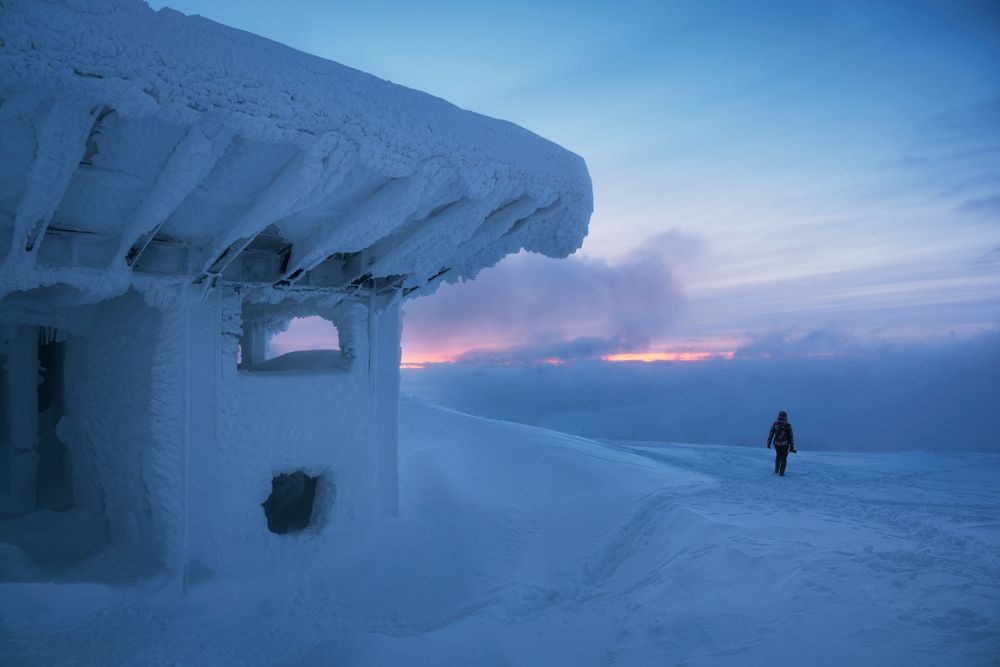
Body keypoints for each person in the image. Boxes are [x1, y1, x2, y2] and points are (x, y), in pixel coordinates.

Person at [767, 410, 796, 476]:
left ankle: (776, 470)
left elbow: (771, 434)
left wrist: (769, 442)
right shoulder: (788, 426)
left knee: (778, 456)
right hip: (785, 444)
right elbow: (791, 437)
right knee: (784, 458)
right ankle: (782, 473)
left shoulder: (775, 424)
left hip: (777, 444)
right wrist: (792, 446)